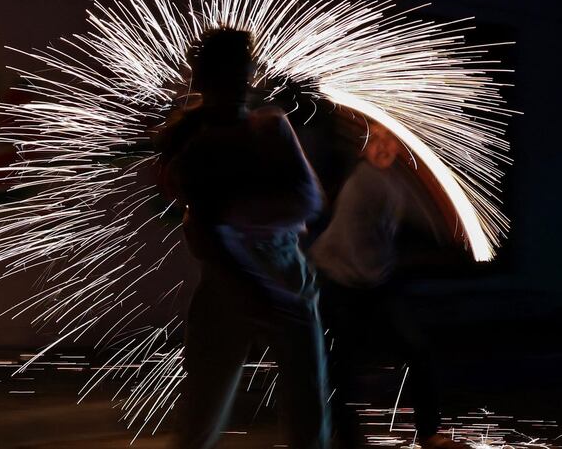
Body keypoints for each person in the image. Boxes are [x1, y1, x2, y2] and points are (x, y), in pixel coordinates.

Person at [154, 28, 330, 449]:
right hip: (268, 274)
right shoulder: (248, 132)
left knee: (202, 415)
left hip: (232, 277)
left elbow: (203, 228)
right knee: (303, 411)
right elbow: (307, 201)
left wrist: (229, 225)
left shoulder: (198, 140)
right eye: (236, 72)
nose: (242, 80)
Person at [309, 121, 470, 449]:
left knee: (417, 350)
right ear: (362, 146)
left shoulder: (395, 182)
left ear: (399, 145)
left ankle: (428, 433)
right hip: (338, 279)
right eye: (375, 139)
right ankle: (346, 436)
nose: (383, 147)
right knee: (344, 363)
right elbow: (424, 214)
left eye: (390, 139)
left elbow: (422, 213)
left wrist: (453, 229)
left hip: (375, 282)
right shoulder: (363, 178)